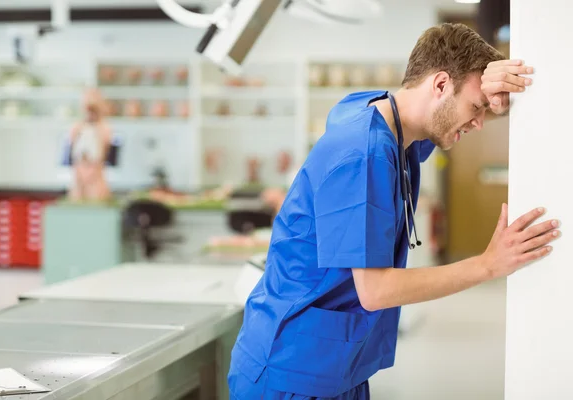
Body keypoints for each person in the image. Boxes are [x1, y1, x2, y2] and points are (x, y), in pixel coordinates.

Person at [227, 23, 561, 399]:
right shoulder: (362, 154)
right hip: (292, 372)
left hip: (335, 364)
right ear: (439, 85)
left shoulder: (387, 122)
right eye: (476, 108)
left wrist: (494, 93)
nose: (480, 122)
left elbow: (449, 112)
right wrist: (488, 264)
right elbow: (375, 289)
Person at [68, 88, 112, 202]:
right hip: (78, 179)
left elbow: (101, 155)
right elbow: (74, 154)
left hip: (96, 178)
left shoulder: (104, 129)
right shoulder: (77, 128)